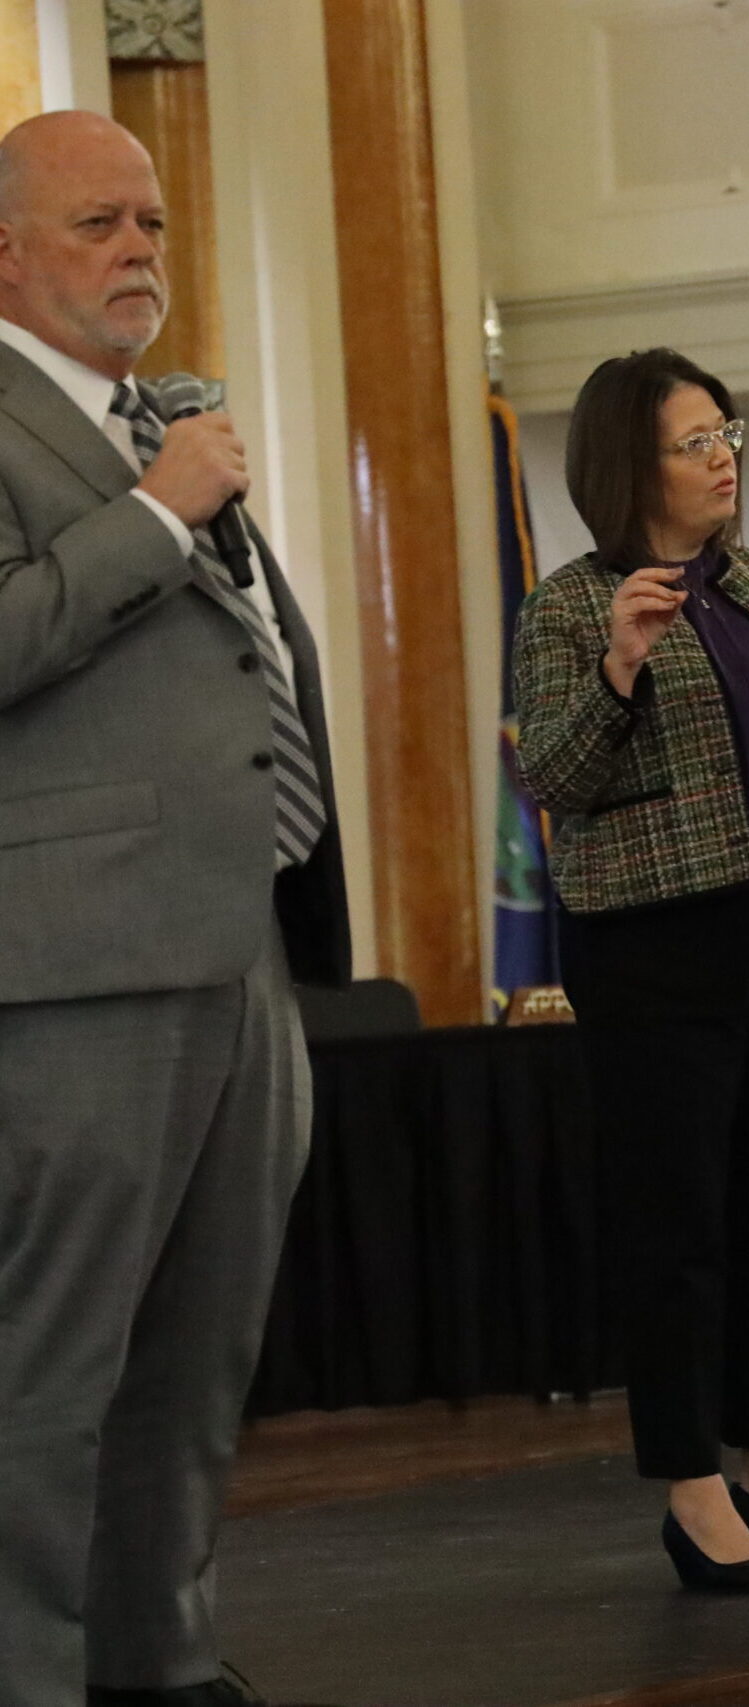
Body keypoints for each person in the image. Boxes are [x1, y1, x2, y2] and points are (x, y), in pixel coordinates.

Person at [0, 112, 349, 1705]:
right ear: (7, 250)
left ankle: (159, 1648)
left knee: (198, 1352)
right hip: (76, 959)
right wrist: (151, 513)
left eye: (150, 221)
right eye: (100, 223)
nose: (143, 248)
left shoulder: (160, 418)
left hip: (235, 937)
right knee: (52, 1368)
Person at [513, 347, 749, 1591]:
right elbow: (553, 780)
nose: (724, 453)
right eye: (695, 440)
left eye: (726, 431)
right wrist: (622, 666)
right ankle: (691, 1488)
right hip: (654, 938)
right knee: (677, 1218)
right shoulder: (572, 605)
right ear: (631, 462)